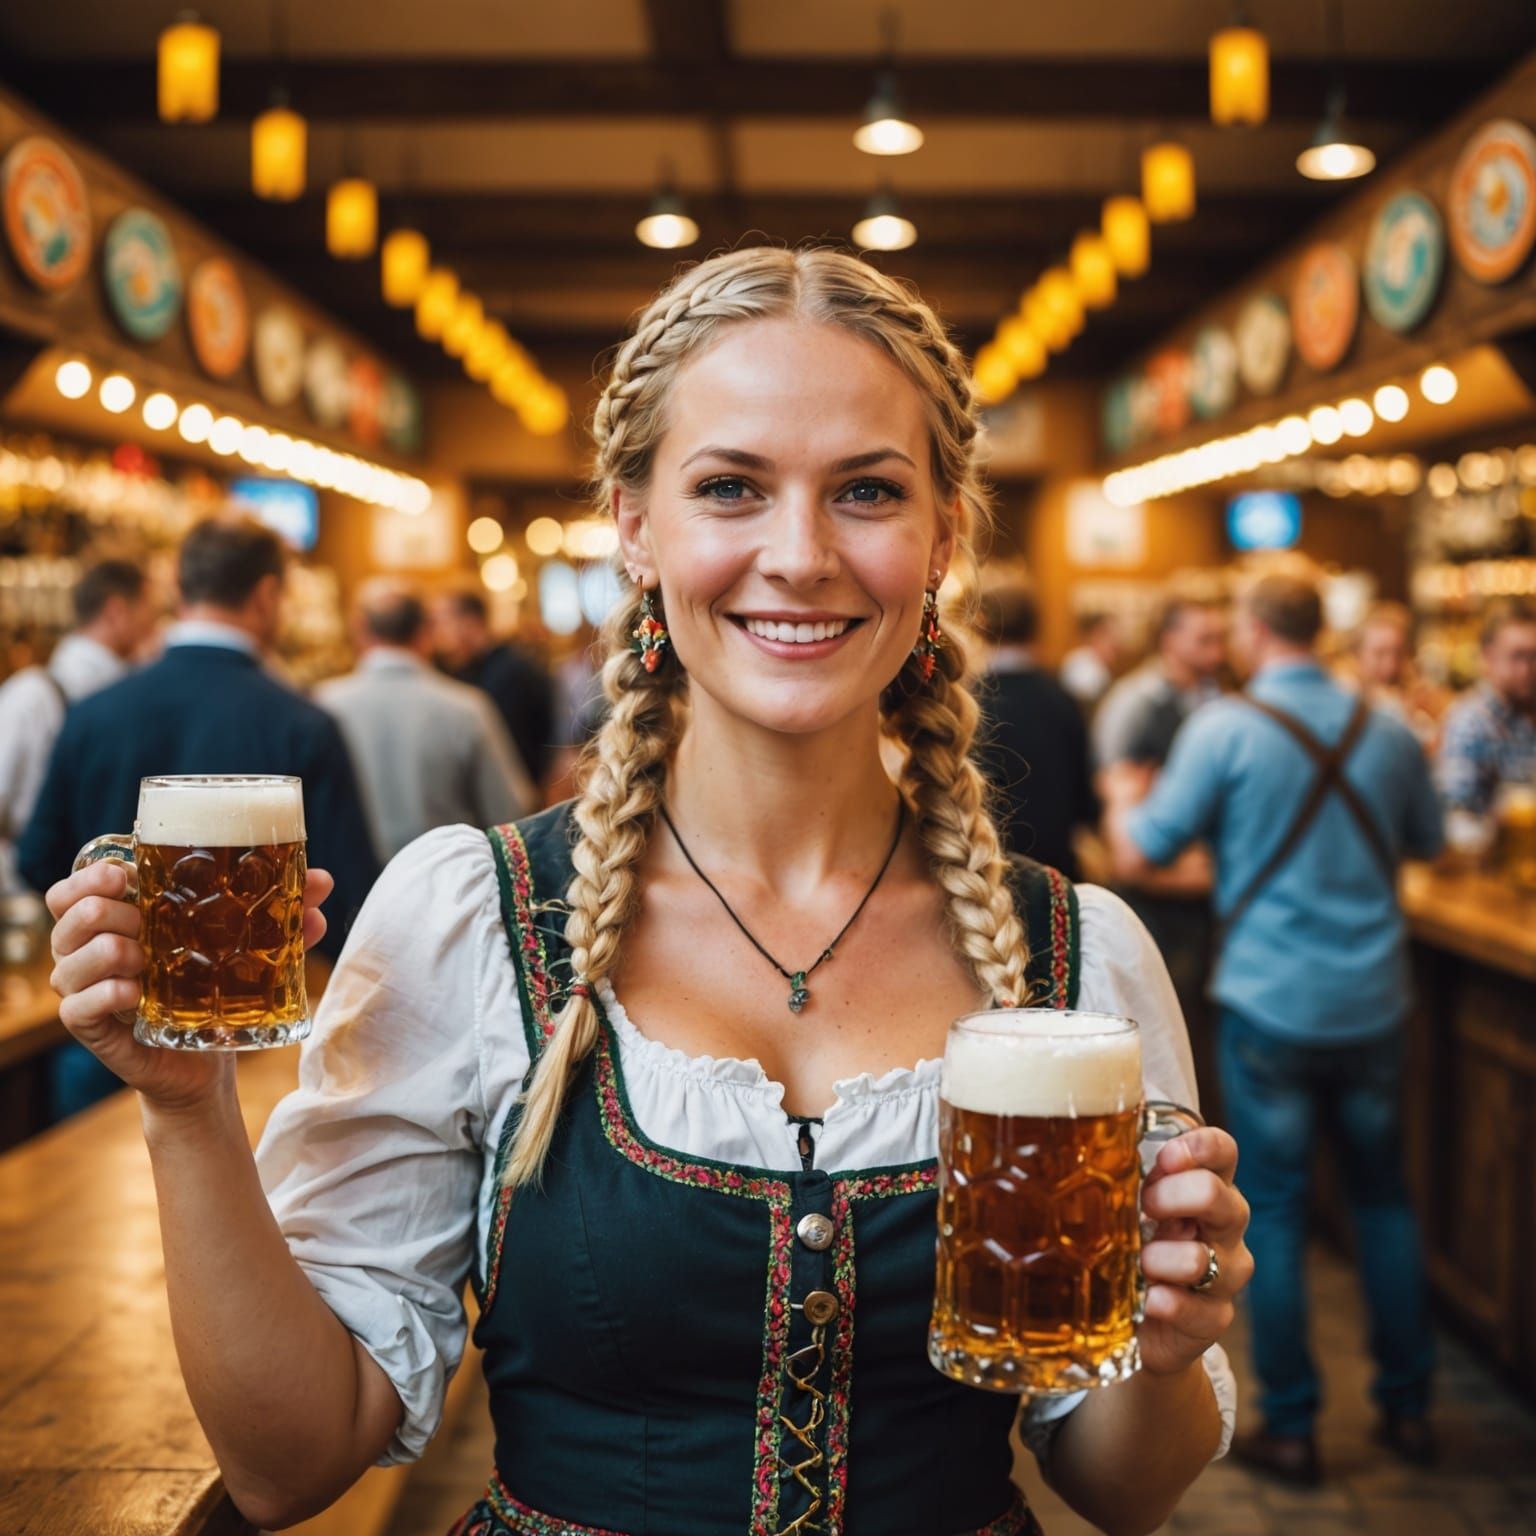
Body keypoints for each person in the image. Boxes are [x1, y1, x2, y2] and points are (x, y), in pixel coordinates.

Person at [43, 248, 1250, 1536]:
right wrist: (187, 1112)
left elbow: (1126, 1488)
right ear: (634, 526)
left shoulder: (1076, 962)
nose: (800, 555)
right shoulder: (473, 920)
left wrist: (1168, 1343)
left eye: (867, 492)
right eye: (731, 487)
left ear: (943, 535)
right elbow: (290, 1467)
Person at [1107, 564, 1444, 1486]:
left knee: (1280, 1210)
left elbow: (1146, 847)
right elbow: (1430, 841)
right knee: (1385, 1201)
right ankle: (1410, 1408)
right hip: (1376, 998)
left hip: (1269, 999)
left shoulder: (1225, 727)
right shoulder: (1388, 725)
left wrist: (1127, 795)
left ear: (1255, 632)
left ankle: (1292, 1426)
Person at [317, 580, 536, 863]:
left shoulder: (323, 705)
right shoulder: (466, 708)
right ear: (426, 632)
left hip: (345, 884)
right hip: (446, 881)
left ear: (360, 629)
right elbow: (508, 813)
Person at [0, 558, 155, 897]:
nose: (155, 625)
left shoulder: (133, 691)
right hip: (34, 896)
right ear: (117, 612)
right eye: (149, 610)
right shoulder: (32, 695)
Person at [971, 577, 1098, 878]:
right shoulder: (1062, 697)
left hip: (983, 871)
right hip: (1054, 871)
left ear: (981, 625)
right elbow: (1085, 802)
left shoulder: (968, 702)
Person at [432, 589, 558, 791]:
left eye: (442, 622)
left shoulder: (512, 672)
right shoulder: (465, 670)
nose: (436, 634)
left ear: (469, 622)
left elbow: (512, 751)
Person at [1093, 595, 1226, 773]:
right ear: (1168, 639)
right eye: (1204, 640)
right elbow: (1111, 770)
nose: (1217, 653)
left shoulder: (1212, 692)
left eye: (1221, 639)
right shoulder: (1136, 699)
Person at [1436, 598, 1536, 822]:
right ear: (1488, 657)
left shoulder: (1528, 710)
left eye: (1534, 657)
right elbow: (1457, 813)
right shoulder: (1471, 722)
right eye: (1517, 656)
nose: (1527, 669)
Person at [1345, 602, 1444, 749]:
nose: (1391, 665)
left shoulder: (1420, 700)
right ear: (1357, 654)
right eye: (1380, 654)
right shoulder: (1346, 697)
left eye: (1399, 653)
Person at [1060, 610, 1125, 709]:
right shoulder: (1082, 664)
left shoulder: (1098, 666)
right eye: (1111, 635)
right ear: (1095, 635)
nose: (1117, 643)